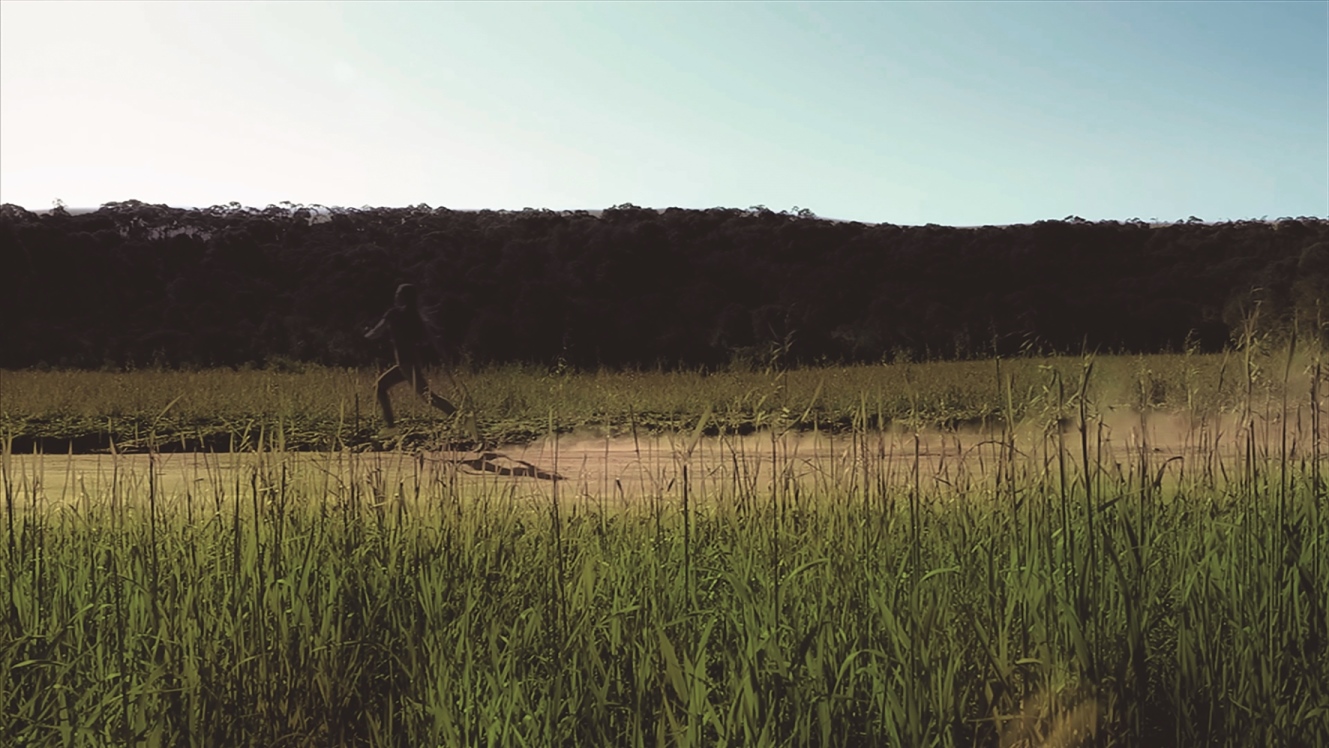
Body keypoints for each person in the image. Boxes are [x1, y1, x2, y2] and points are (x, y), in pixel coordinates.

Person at [365, 283, 457, 427]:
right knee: (379, 387)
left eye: (397, 294)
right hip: (410, 362)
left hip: (406, 363)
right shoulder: (415, 316)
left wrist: (364, 336)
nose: (395, 296)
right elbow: (431, 339)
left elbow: (376, 332)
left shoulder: (393, 313)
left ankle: (461, 418)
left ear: (401, 297)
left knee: (428, 397)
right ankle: (389, 425)